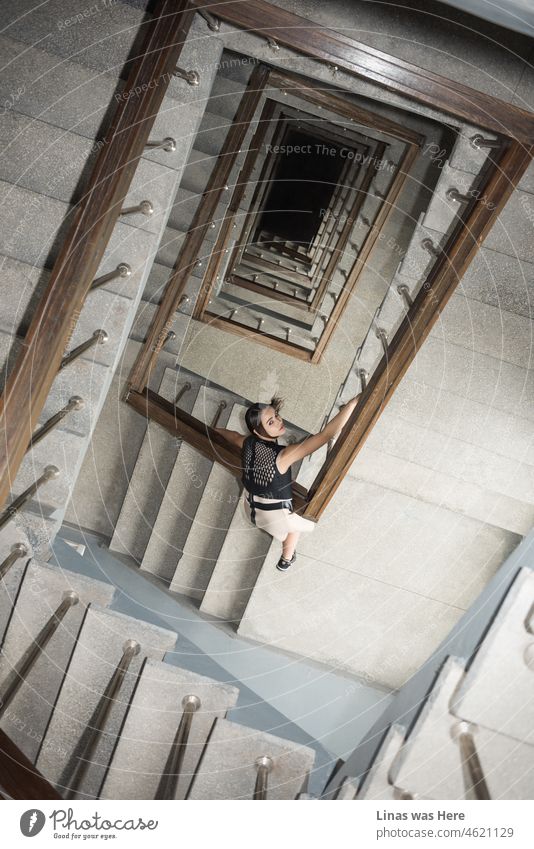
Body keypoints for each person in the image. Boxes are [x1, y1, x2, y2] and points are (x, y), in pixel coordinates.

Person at [215, 394, 361, 571]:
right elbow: (325, 435)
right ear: (256, 431)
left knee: (290, 519)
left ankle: (286, 558)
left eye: (276, 415)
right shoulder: (283, 456)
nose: (278, 422)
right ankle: (286, 559)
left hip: (250, 507)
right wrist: (353, 403)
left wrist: (214, 430)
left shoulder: (247, 442)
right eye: (270, 422)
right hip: (274, 516)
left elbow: (232, 436)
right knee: (300, 521)